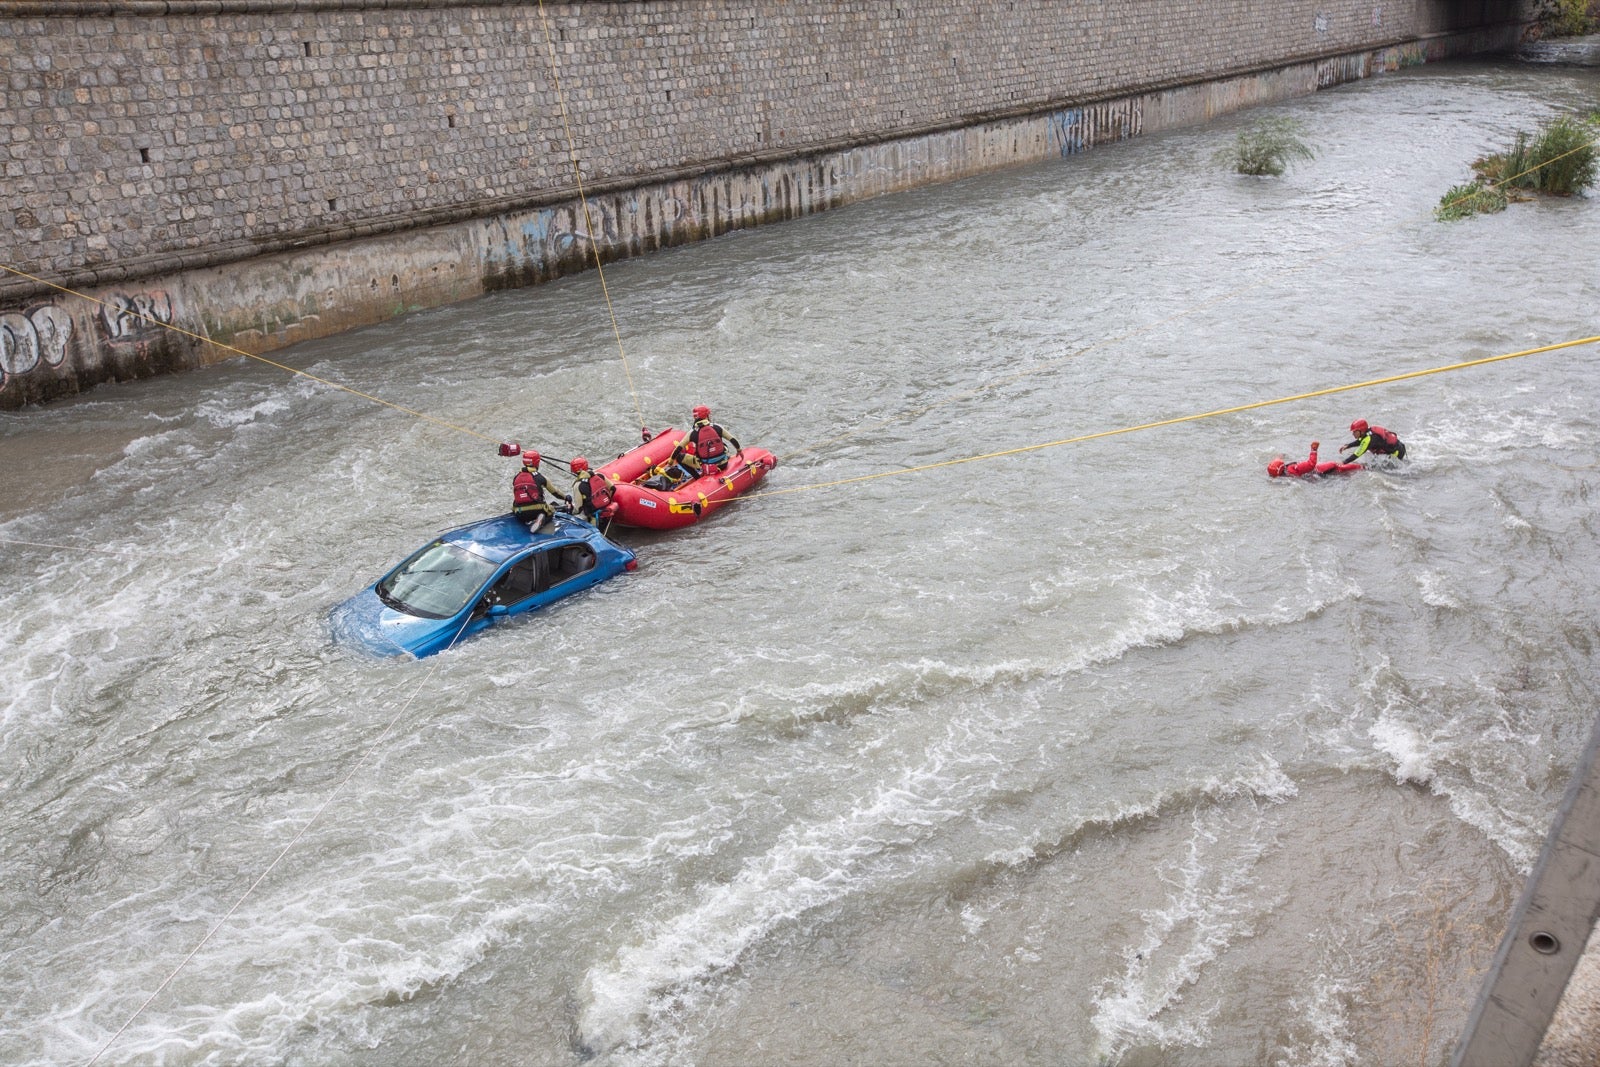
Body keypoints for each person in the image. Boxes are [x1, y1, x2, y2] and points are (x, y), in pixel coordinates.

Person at [510, 449, 571, 533]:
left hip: (520, 513)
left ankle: (529, 520)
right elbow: (555, 492)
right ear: (537, 462)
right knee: (550, 511)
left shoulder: (516, 477)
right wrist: (566, 497)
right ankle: (541, 520)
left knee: (519, 510)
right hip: (537, 509)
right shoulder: (540, 477)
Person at [673, 404, 740, 477]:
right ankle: (723, 458)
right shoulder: (717, 427)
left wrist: (670, 462)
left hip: (705, 466)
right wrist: (739, 450)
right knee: (721, 444)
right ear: (706, 416)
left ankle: (697, 477)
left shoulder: (692, 433)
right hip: (723, 464)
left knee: (679, 457)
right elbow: (732, 439)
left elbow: (678, 448)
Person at [1267, 441, 1362, 478]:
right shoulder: (1293, 468)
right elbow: (1311, 464)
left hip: (1316, 479)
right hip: (1320, 471)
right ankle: (1364, 467)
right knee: (1337, 466)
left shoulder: (1285, 477)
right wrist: (1314, 450)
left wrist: (1280, 456)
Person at [568, 456, 618, 525]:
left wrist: (569, 510)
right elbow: (613, 488)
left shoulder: (578, 485)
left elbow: (578, 509)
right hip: (607, 510)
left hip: (594, 517)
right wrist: (606, 501)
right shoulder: (599, 475)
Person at [1340, 419, 1406, 463]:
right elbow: (1360, 441)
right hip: (1398, 447)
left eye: (1355, 432)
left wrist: (1343, 463)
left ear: (1361, 431)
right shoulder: (1367, 434)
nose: (1353, 434)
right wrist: (1348, 446)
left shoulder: (1369, 439)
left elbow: (1356, 454)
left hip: (1397, 453)